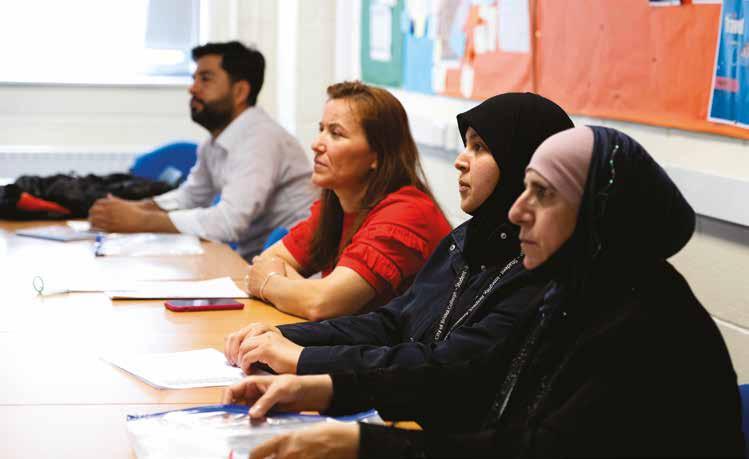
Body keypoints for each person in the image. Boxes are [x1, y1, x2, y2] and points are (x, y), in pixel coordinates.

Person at [223, 126, 744, 458]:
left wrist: (364, 443)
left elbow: (538, 449)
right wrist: (324, 388)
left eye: (543, 194)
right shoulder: (576, 289)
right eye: (524, 189)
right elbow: (468, 378)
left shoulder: (645, 322)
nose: (517, 210)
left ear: (596, 212)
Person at [224, 93, 574, 387]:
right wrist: (284, 336)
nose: (460, 161)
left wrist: (303, 357)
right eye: (466, 145)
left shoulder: (538, 268)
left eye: (480, 148)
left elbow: (448, 363)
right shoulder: (466, 239)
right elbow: (393, 321)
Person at [240, 81, 452, 321]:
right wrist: (303, 294)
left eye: (336, 133)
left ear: (377, 155)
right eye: (321, 129)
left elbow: (321, 305)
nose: (316, 144)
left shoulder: (407, 214)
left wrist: (270, 283)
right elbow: (268, 261)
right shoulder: (339, 203)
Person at [89, 41, 313, 260]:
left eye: (205, 79)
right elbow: (191, 196)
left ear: (240, 92)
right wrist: (136, 208)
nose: (192, 88)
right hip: (255, 259)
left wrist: (141, 220)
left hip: (293, 269)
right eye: (194, 78)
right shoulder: (215, 142)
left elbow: (228, 223)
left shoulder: (261, 139)